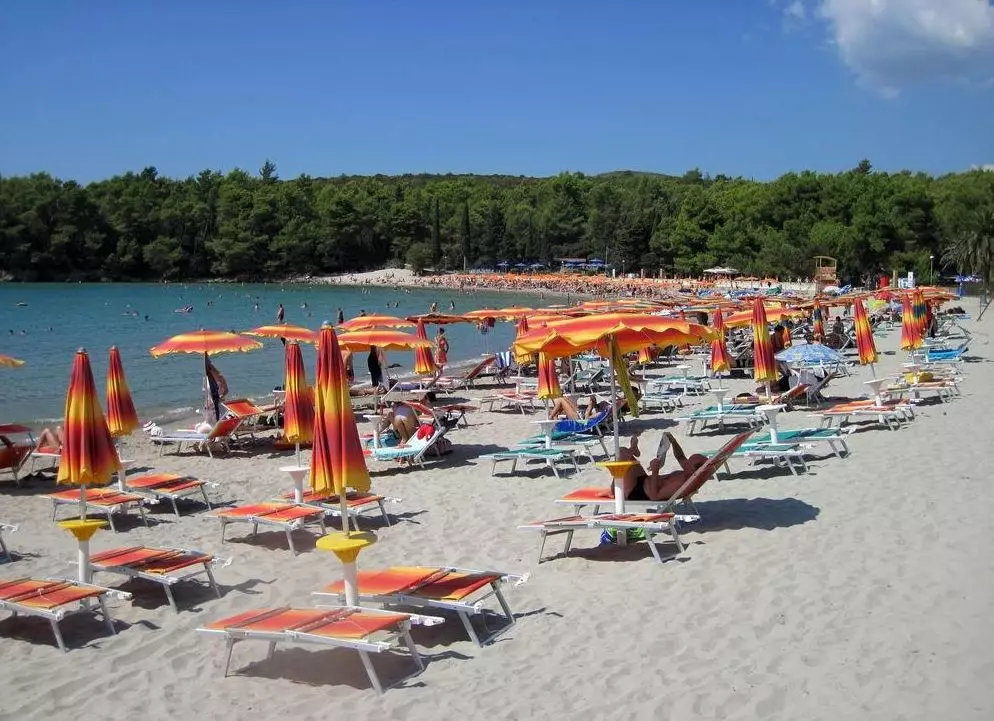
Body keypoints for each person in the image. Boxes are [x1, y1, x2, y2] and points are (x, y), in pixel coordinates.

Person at [610, 432, 708, 502]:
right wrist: (673, 442)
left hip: (637, 492)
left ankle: (632, 449)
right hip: (643, 480)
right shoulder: (688, 472)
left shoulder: (680, 483)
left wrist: (655, 470)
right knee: (621, 451)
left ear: (695, 470)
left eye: (690, 461)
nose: (687, 461)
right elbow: (680, 457)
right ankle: (632, 450)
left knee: (621, 456)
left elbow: (655, 496)